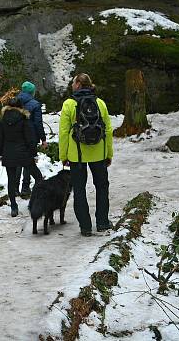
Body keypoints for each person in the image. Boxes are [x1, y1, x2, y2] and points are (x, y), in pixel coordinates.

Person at [58, 73, 113, 237]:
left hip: (77, 155)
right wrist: (108, 153)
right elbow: (108, 130)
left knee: (80, 190)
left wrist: (63, 156)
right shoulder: (100, 103)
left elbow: (63, 132)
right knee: (102, 187)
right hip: (99, 153)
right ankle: (102, 222)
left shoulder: (69, 104)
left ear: (78, 85)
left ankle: (85, 226)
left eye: (73, 82)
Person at [0, 97, 43, 217]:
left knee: (11, 181)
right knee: (38, 177)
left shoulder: (2, 121)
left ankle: (13, 207)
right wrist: (34, 154)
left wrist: (0, 153)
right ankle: (35, 202)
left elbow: (0, 139)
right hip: (24, 154)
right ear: (21, 107)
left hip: (8, 153)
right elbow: (30, 139)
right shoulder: (24, 120)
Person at [16, 81, 47, 195]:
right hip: (31, 138)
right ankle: (25, 188)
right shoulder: (35, 104)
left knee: (18, 162)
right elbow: (38, 123)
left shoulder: (14, 102)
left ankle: (15, 189)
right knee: (28, 162)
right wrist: (43, 139)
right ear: (32, 92)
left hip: (17, 137)